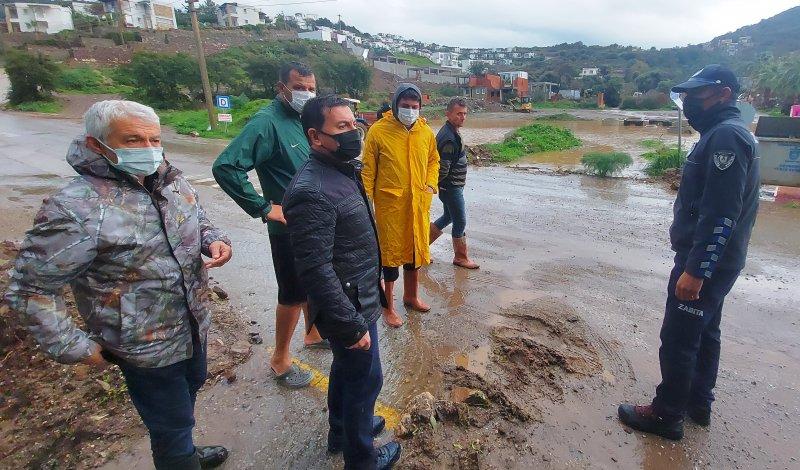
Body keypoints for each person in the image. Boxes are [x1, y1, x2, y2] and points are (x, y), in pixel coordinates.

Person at [4, 100, 233, 469]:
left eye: (154, 139)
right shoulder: (75, 208)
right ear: (97, 144)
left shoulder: (170, 181)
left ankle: (184, 451)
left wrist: (213, 239)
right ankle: (179, 457)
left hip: (193, 325)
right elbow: (31, 289)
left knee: (185, 401)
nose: (148, 149)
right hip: (142, 346)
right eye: (133, 140)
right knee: (171, 424)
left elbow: (198, 217)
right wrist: (73, 345)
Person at [618, 65, 760, 440]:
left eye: (697, 95)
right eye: (687, 96)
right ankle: (698, 403)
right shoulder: (725, 132)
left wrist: (697, 270)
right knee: (706, 332)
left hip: (706, 262)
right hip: (719, 259)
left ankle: (667, 415)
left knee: (679, 338)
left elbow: (722, 213)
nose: (690, 102)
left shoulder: (726, 137)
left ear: (723, 94)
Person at [283, 95, 401, 469]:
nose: (353, 133)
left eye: (354, 124)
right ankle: (362, 458)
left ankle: (343, 430)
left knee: (348, 371)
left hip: (359, 293)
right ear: (315, 136)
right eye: (341, 127)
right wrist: (349, 324)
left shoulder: (342, 169)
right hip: (348, 303)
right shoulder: (311, 191)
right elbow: (315, 269)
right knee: (365, 380)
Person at [212, 62, 323, 389]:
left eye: (311, 88)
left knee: (311, 282)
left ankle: (313, 333)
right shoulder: (267, 122)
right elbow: (226, 166)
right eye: (299, 87)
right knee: (292, 293)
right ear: (281, 88)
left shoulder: (303, 119)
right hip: (288, 228)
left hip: (312, 222)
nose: (306, 94)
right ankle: (280, 359)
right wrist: (263, 207)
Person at [362, 84, 440, 328]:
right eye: (405, 106)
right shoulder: (378, 131)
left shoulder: (425, 132)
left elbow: (433, 160)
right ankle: (388, 307)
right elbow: (367, 171)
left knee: (415, 252)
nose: (410, 111)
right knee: (390, 257)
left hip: (418, 204)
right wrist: (365, 204)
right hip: (390, 207)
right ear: (395, 105)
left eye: (415, 107)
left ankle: (411, 296)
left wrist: (431, 184)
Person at [430, 97, 479, 269]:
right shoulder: (449, 138)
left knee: (448, 217)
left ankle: (419, 248)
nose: (462, 117)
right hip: (451, 187)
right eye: (459, 114)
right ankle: (460, 257)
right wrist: (438, 185)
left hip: (451, 186)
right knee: (460, 221)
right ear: (448, 114)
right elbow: (443, 169)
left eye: (465, 114)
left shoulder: (451, 131)